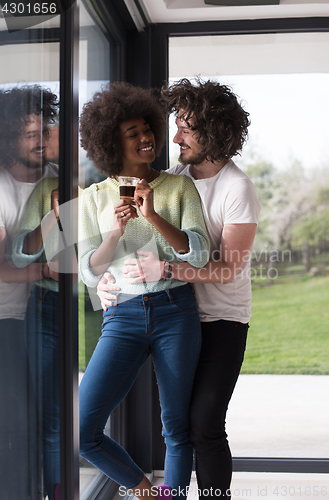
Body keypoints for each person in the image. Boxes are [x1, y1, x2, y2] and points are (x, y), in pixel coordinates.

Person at [97, 78, 261, 499]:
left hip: (223, 318)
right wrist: (106, 280)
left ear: (214, 131)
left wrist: (167, 267)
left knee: (205, 422)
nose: (175, 138)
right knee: (181, 424)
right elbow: (134, 239)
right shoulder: (174, 178)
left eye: (186, 129)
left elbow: (228, 269)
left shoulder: (237, 189)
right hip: (180, 314)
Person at [78, 82, 210, 500]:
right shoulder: (94, 198)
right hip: (123, 318)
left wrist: (152, 216)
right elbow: (87, 270)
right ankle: (147, 493)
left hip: (176, 311)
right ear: (112, 143)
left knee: (176, 426)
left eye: (146, 128)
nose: (146, 137)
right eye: (131, 133)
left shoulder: (177, 187)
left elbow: (201, 253)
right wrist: (115, 233)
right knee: (82, 430)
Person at [0, 85, 58, 500]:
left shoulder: (58, 182)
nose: (38, 139)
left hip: (41, 316)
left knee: (46, 421)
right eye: (26, 132)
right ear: (5, 138)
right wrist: (47, 270)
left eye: (42, 129)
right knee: (14, 424)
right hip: (1, 318)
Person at [12, 177, 60, 500]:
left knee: (83, 421)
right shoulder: (49, 189)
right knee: (51, 419)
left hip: (99, 308)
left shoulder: (105, 186)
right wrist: (52, 218)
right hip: (48, 307)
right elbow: (18, 254)